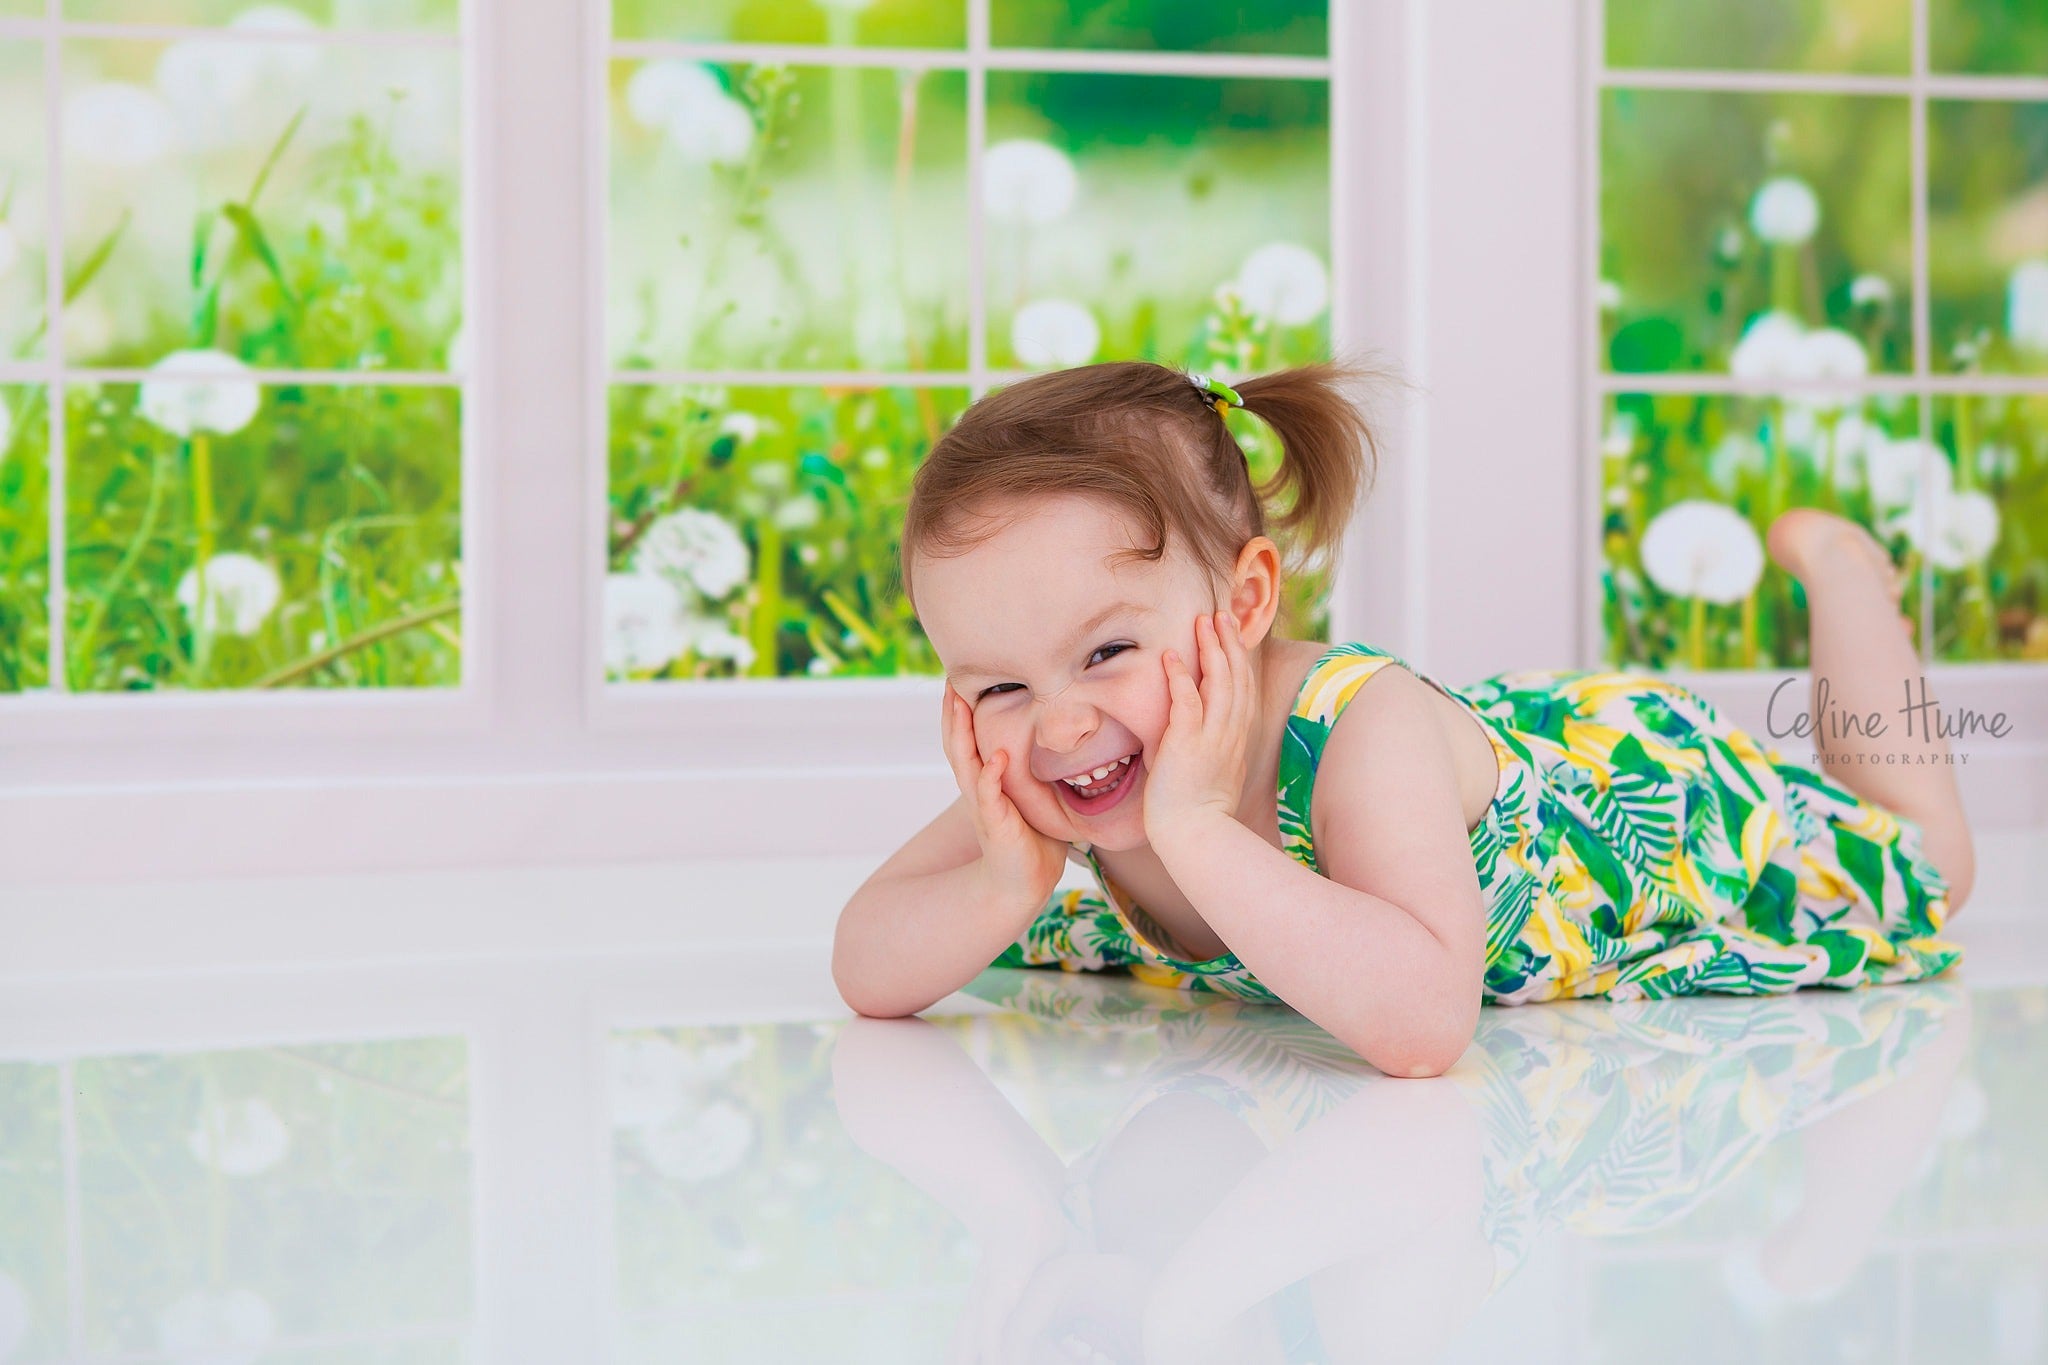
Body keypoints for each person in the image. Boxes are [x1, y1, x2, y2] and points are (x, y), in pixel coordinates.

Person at [829, 357, 1973, 1077]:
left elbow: (1424, 1024)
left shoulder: (1356, 729)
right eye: (997, 685)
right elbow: (865, 966)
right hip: (1477, 753)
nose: (1060, 724)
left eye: (1106, 651)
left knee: (1926, 857)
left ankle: (1842, 575)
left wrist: (1195, 834)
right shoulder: (1064, 758)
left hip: (1631, 803)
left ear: (1240, 605)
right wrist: (1003, 881)